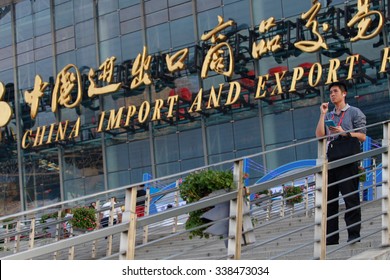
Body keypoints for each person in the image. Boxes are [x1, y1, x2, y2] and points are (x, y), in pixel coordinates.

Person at [315, 81, 366, 245]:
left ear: (344, 93)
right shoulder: (329, 115)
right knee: (329, 202)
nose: (332, 94)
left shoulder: (354, 112)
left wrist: (344, 132)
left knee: (350, 198)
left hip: (348, 160)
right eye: (330, 92)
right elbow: (319, 135)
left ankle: (353, 234)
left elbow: (363, 136)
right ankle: (331, 238)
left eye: (335, 91)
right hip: (332, 160)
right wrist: (323, 114)